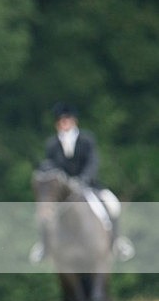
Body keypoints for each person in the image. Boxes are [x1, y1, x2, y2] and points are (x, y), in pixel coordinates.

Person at [30, 102, 134, 262]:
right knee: (45, 212)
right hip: (63, 192)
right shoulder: (52, 144)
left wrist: (84, 178)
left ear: (74, 121)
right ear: (57, 123)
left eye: (67, 120)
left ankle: (117, 243)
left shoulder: (86, 139)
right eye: (61, 121)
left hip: (87, 185)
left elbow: (93, 162)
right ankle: (44, 247)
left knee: (113, 204)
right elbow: (51, 167)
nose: (64, 124)